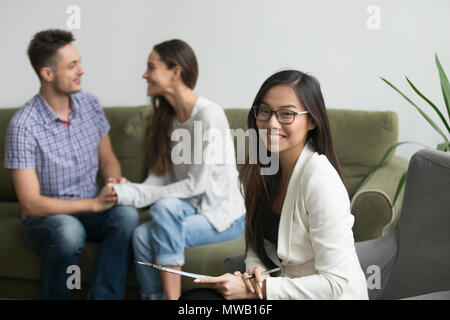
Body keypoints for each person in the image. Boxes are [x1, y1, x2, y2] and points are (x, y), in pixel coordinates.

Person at [192, 70, 369, 300]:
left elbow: (333, 283)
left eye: (287, 114)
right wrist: (256, 270)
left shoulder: (321, 181)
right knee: (196, 300)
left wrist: (259, 291)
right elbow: (258, 243)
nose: (271, 123)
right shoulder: (264, 170)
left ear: (312, 121)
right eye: (264, 111)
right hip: (283, 292)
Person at [4, 29, 140, 300]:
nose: (82, 70)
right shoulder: (23, 125)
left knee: (127, 216)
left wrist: (113, 182)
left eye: (79, 62)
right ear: (47, 74)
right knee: (69, 231)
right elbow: (31, 203)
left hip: (93, 208)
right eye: (72, 65)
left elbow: (108, 159)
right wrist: (91, 204)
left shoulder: (89, 104)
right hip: (47, 217)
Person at [110, 39, 245, 300]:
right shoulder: (167, 120)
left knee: (162, 209)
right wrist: (129, 189)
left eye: (151, 67)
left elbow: (197, 186)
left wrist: (130, 195)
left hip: (224, 214)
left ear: (176, 71)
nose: (144, 74)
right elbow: (161, 178)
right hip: (189, 207)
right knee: (140, 234)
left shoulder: (209, 115)